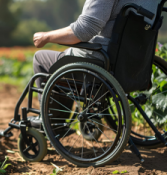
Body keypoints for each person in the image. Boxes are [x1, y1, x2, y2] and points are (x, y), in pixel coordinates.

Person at [30, 0, 160, 128]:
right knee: (65, 56)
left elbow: (84, 30)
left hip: (102, 59)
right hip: (133, 60)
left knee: (40, 59)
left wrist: (45, 36)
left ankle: (51, 122)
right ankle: (58, 121)